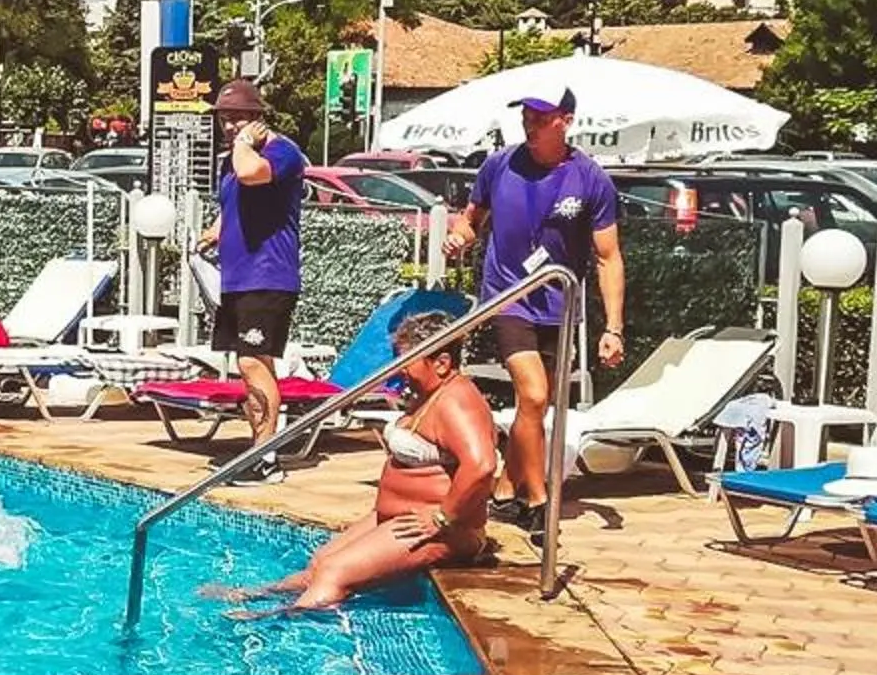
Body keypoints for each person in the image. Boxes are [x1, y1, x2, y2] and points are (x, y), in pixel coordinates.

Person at [211, 312, 498, 613]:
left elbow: (482, 465)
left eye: (408, 361)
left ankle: (277, 623)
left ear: (441, 363)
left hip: (441, 529)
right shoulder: (431, 393)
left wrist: (442, 517)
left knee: (336, 572)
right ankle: (262, 595)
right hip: (399, 517)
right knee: (321, 562)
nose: (399, 370)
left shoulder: (457, 401)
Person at [447, 85, 626, 527]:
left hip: (559, 305)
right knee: (533, 393)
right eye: (526, 114)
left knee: (536, 408)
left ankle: (506, 490)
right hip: (508, 296)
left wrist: (614, 327)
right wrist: (458, 237)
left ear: (565, 120)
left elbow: (608, 256)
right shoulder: (499, 165)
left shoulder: (590, 179)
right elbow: (471, 220)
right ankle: (539, 499)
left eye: (541, 117)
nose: (530, 124)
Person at [195, 80, 307, 451]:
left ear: (258, 119)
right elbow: (232, 206)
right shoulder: (230, 160)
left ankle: (264, 455)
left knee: (251, 363)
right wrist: (213, 232)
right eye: (224, 119)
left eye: (239, 119)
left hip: (268, 275)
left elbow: (251, 175)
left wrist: (244, 144)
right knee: (254, 364)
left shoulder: (282, 152)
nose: (230, 127)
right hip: (237, 278)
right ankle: (261, 445)